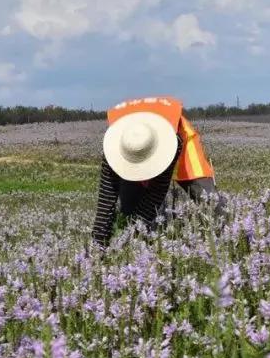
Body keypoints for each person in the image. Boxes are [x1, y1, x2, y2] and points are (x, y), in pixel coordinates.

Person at [93, 96, 219, 247]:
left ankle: (221, 236)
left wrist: (134, 235)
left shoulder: (173, 141)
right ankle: (137, 238)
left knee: (208, 198)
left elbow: (156, 193)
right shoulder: (114, 146)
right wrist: (98, 243)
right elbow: (107, 196)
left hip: (177, 134)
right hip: (136, 139)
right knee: (129, 207)